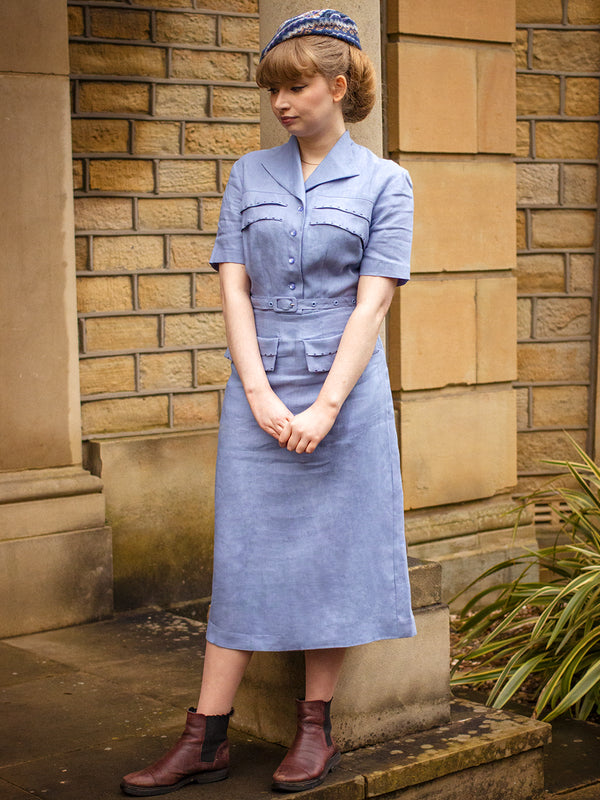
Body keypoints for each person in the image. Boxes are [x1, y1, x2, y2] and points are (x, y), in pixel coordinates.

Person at [121, 8, 416, 797]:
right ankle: (205, 737)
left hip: (344, 399)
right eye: (274, 88)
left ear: (339, 85)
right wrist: (255, 391)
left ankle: (314, 729)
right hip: (256, 391)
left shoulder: (388, 182)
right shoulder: (250, 174)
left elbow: (373, 305)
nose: (281, 102)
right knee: (244, 555)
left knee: (334, 557)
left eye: (294, 86)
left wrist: (323, 408)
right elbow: (233, 285)